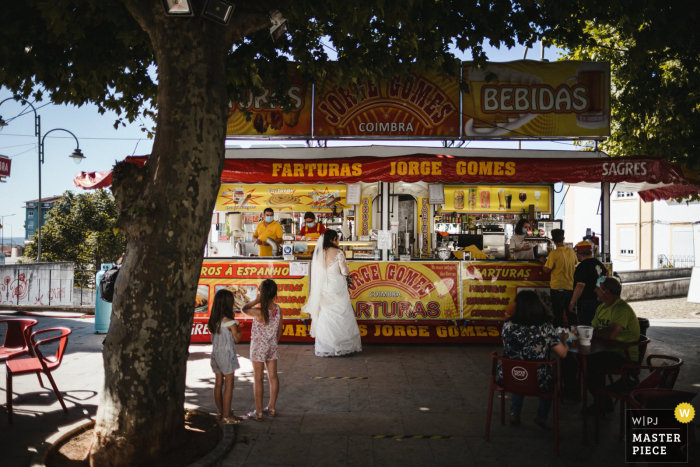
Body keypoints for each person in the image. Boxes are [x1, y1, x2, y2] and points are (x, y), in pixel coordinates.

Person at [499, 290, 569, 429]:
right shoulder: (546, 327)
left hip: (508, 377)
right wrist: (564, 340)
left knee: (520, 370)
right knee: (546, 376)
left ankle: (514, 413)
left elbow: (506, 346)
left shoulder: (508, 325)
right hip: (538, 381)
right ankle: (541, 417)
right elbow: (562, 354)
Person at [583, 277, 641, 414]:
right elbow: (592, 330)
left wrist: (591, 332)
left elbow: (610, 334)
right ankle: (603, 400)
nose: (595, 291)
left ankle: (602, 401)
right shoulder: (602, 308)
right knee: (582, 361)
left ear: (607, 292)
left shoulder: (621, 308)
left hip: (624, 355)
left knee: (590, 363)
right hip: (607, 351)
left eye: (597, 288)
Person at [302, 230, 362, 357]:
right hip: (337, 287)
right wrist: (346, 275)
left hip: (323, 287)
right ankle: (344, 346)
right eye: (336, 239)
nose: (338, 241)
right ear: (331, 239)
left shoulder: (318, 253)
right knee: (342, 314)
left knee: (326, 315)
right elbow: (345, 271)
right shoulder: (338, 252)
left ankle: (327, 346)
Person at [241, 279, 284, 421]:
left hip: (258, 348)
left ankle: (258, 412)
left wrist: (256, 300)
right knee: (273, 377)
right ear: (274, 293)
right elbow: (279, 330)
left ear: (261, 293)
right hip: (272, 346)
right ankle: (271, 408)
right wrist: (274, 342)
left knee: (258, 378)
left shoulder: (258, 311)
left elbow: (243, 308)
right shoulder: (278, 309)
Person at [207, 289, 243, 424]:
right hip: (226, 356)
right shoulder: (230, 322)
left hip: (215, 355)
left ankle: (221, 411)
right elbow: (237, 339)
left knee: (218, 384)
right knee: (229, 385)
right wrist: (238, 332)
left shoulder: (213, 321)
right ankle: (227, 417)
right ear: (229, 304)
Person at [540, 229, 578, 328]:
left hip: (557, 288)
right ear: (563, 238)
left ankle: (559, 337)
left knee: (558, 314)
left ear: (552, 240)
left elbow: (547, 270)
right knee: (571, 313)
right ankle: (574, 336)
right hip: (570, 286)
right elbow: (575, 263)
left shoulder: (553, 253)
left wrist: (543, 261)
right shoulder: (571, 251)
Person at [568, 240, 606, 326]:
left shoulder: (582, 266)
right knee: (598, 327)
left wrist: (572, 302)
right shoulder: (600, 264)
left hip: (586, 303)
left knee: (586, 329)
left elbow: (580, 287)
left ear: (578, 253)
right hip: (600, 301)